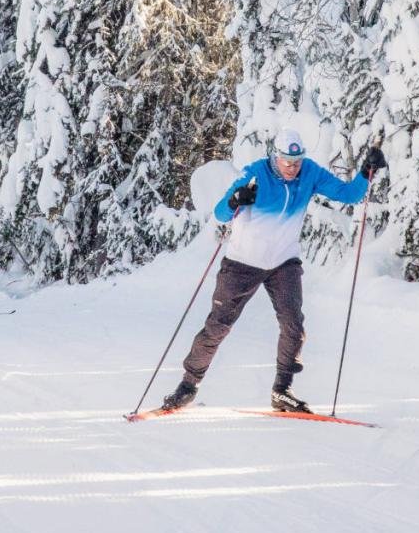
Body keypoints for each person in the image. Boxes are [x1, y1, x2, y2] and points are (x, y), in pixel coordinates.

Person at [161, 129, 384, 414]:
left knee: (293, 324)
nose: (292, 168)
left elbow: (349, 195)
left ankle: (282, 391)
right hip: (242, 263)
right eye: (287, 162)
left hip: (283, 262)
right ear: (275, 157)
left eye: (297, 161)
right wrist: (235, 200)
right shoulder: (255, 174)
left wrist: (367, 170)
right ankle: (187, 386)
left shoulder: (310, 173)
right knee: (218, 326)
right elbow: (219, 214)